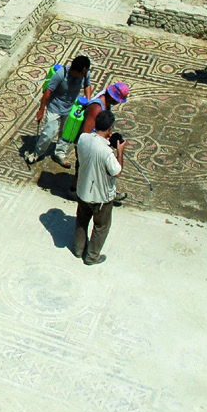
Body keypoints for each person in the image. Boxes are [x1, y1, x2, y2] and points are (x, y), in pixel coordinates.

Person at [73, 109, 124, 266]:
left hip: (82, 190)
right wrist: (120, 152)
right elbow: (117, 172)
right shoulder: (107, 152)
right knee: (101, 227)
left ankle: (78, 249)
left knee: (82, 219)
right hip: (101, 197)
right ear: (110, 129)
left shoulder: (83, 138)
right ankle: (92, 256)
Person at [26, 55, 92, 167]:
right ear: (75, 70)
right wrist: (41, 110)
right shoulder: (61, 74)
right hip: (55, 107)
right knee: (49, 133)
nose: (84, 75)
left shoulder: (85, 74)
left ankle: (60, 154)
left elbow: (87, 85)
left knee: (66, 133)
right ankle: (38, 153)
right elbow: (48, 92)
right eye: (82, 73)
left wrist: (88, 101)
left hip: (71, 107)